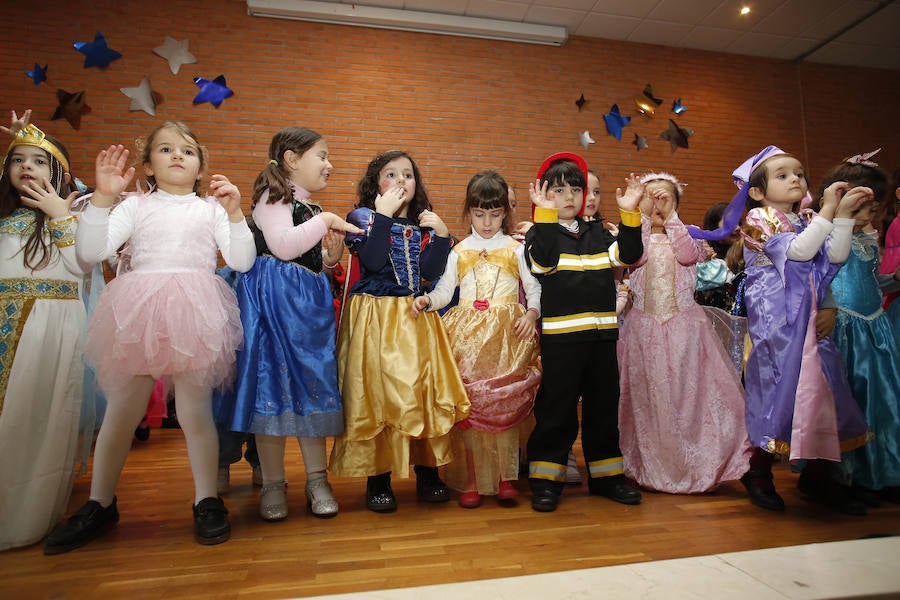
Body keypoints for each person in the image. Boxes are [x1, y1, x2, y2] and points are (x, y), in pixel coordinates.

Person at [44, 121, 256, 554]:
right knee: (124, 409)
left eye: (188, 150)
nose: (178, 155)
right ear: (148, 165)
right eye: (165, 149)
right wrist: (103, 198)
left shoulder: (210, 209)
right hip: (139, 310)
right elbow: (90, 253)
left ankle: (206, 499)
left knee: (195, 412)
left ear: (200, 168)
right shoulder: (134, 206)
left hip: (195, 310)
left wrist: (235, 214)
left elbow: (242, 259)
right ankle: (100, 503)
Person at [218, 127, 360, 520]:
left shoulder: (311, 209)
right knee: (273, 391)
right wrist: (328, 219)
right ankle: (274, 483)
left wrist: (329, 259)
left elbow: (307, 257)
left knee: (310, 389)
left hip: (306, 310)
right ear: (292, 159)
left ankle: (317, 479)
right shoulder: (272, 196)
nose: (329, 164)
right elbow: (282, 246)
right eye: (323, 156)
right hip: (273, 308)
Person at [329, 150, 470, 513]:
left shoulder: (423, 223)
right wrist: (383, 217)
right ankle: (378, 478)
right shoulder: (362, 218)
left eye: (407, 175)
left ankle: (427, 472)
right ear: (376, 184)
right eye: (390, 175)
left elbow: (428, 273)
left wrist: (440, 237)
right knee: (379, 395)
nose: (401, 181)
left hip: (414, 316)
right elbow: (373, 262)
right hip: (376, 318)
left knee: (421, 391)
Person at [733, 145, 871, 514]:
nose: (795, 178)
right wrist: (829, 210)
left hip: (810, 320)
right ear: (758, 192)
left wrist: (841, 217)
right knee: (779, 393)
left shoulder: (809, 218)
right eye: (782, 175)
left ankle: (819, 475)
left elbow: (834, 257)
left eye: (798, 173)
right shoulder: (759, 219)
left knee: (825, 390)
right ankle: (758, 471)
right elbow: (799, 253)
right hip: (778, 325)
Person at [412, 170, 541, 508]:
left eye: (495, 214)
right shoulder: (461, 250)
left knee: (503, 405)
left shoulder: (515, 249)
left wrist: (531, 314)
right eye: (480, 214)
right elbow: (444, 290)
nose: (487, 222)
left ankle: (504, 478)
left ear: (505, 213)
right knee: (472, 408)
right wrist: (428, 300)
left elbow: (534, 288)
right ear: (469, 211)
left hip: (506, 336)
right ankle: (471, 479)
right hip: (466, 337)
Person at [617, 172, 751, 494]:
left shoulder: (689, 239)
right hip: (644, 331)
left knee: (687, 396)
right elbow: (635, 256)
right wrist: (641, 215)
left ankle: (695, 460)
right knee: (650, 397)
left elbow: (687, 256)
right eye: (652, 197)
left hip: (684, 330)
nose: (659, 204)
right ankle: (653, 463)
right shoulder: (636, 239)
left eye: (666, 198)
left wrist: (672, 217)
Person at [523, 152, 643, 512]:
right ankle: (545, 481)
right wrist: (543, 214)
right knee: (556, 412)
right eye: (559, 191)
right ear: (545, 195)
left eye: (575, 189)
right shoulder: (540, 233)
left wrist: (630, 212)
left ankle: (608, 479)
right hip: (561, 342)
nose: (570, 197)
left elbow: (629, 255)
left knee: (604, 410)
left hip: (602, 339)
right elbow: (541, 262)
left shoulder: (598, 232)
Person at [0, 115, 89, 551]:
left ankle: (24, 515)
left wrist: (60, 215)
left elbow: (81, 266)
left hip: (47, 331)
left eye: (39, 160)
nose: (27, 167)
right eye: (17, 160)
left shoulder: (71, 215)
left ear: (60, 173)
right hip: (5, 321)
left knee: (33, 417)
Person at [820, 152, 900, 502]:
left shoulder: (868, 236)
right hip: (844, 328)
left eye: (875, 209)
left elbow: (869, 281)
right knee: (849, 398)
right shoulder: (825, 233)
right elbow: (822, 279)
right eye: (866, 209)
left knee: (882, 401)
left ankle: (880, 473)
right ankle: (844, 477)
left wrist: (893, 279)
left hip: (874, 327)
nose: (873, 217)